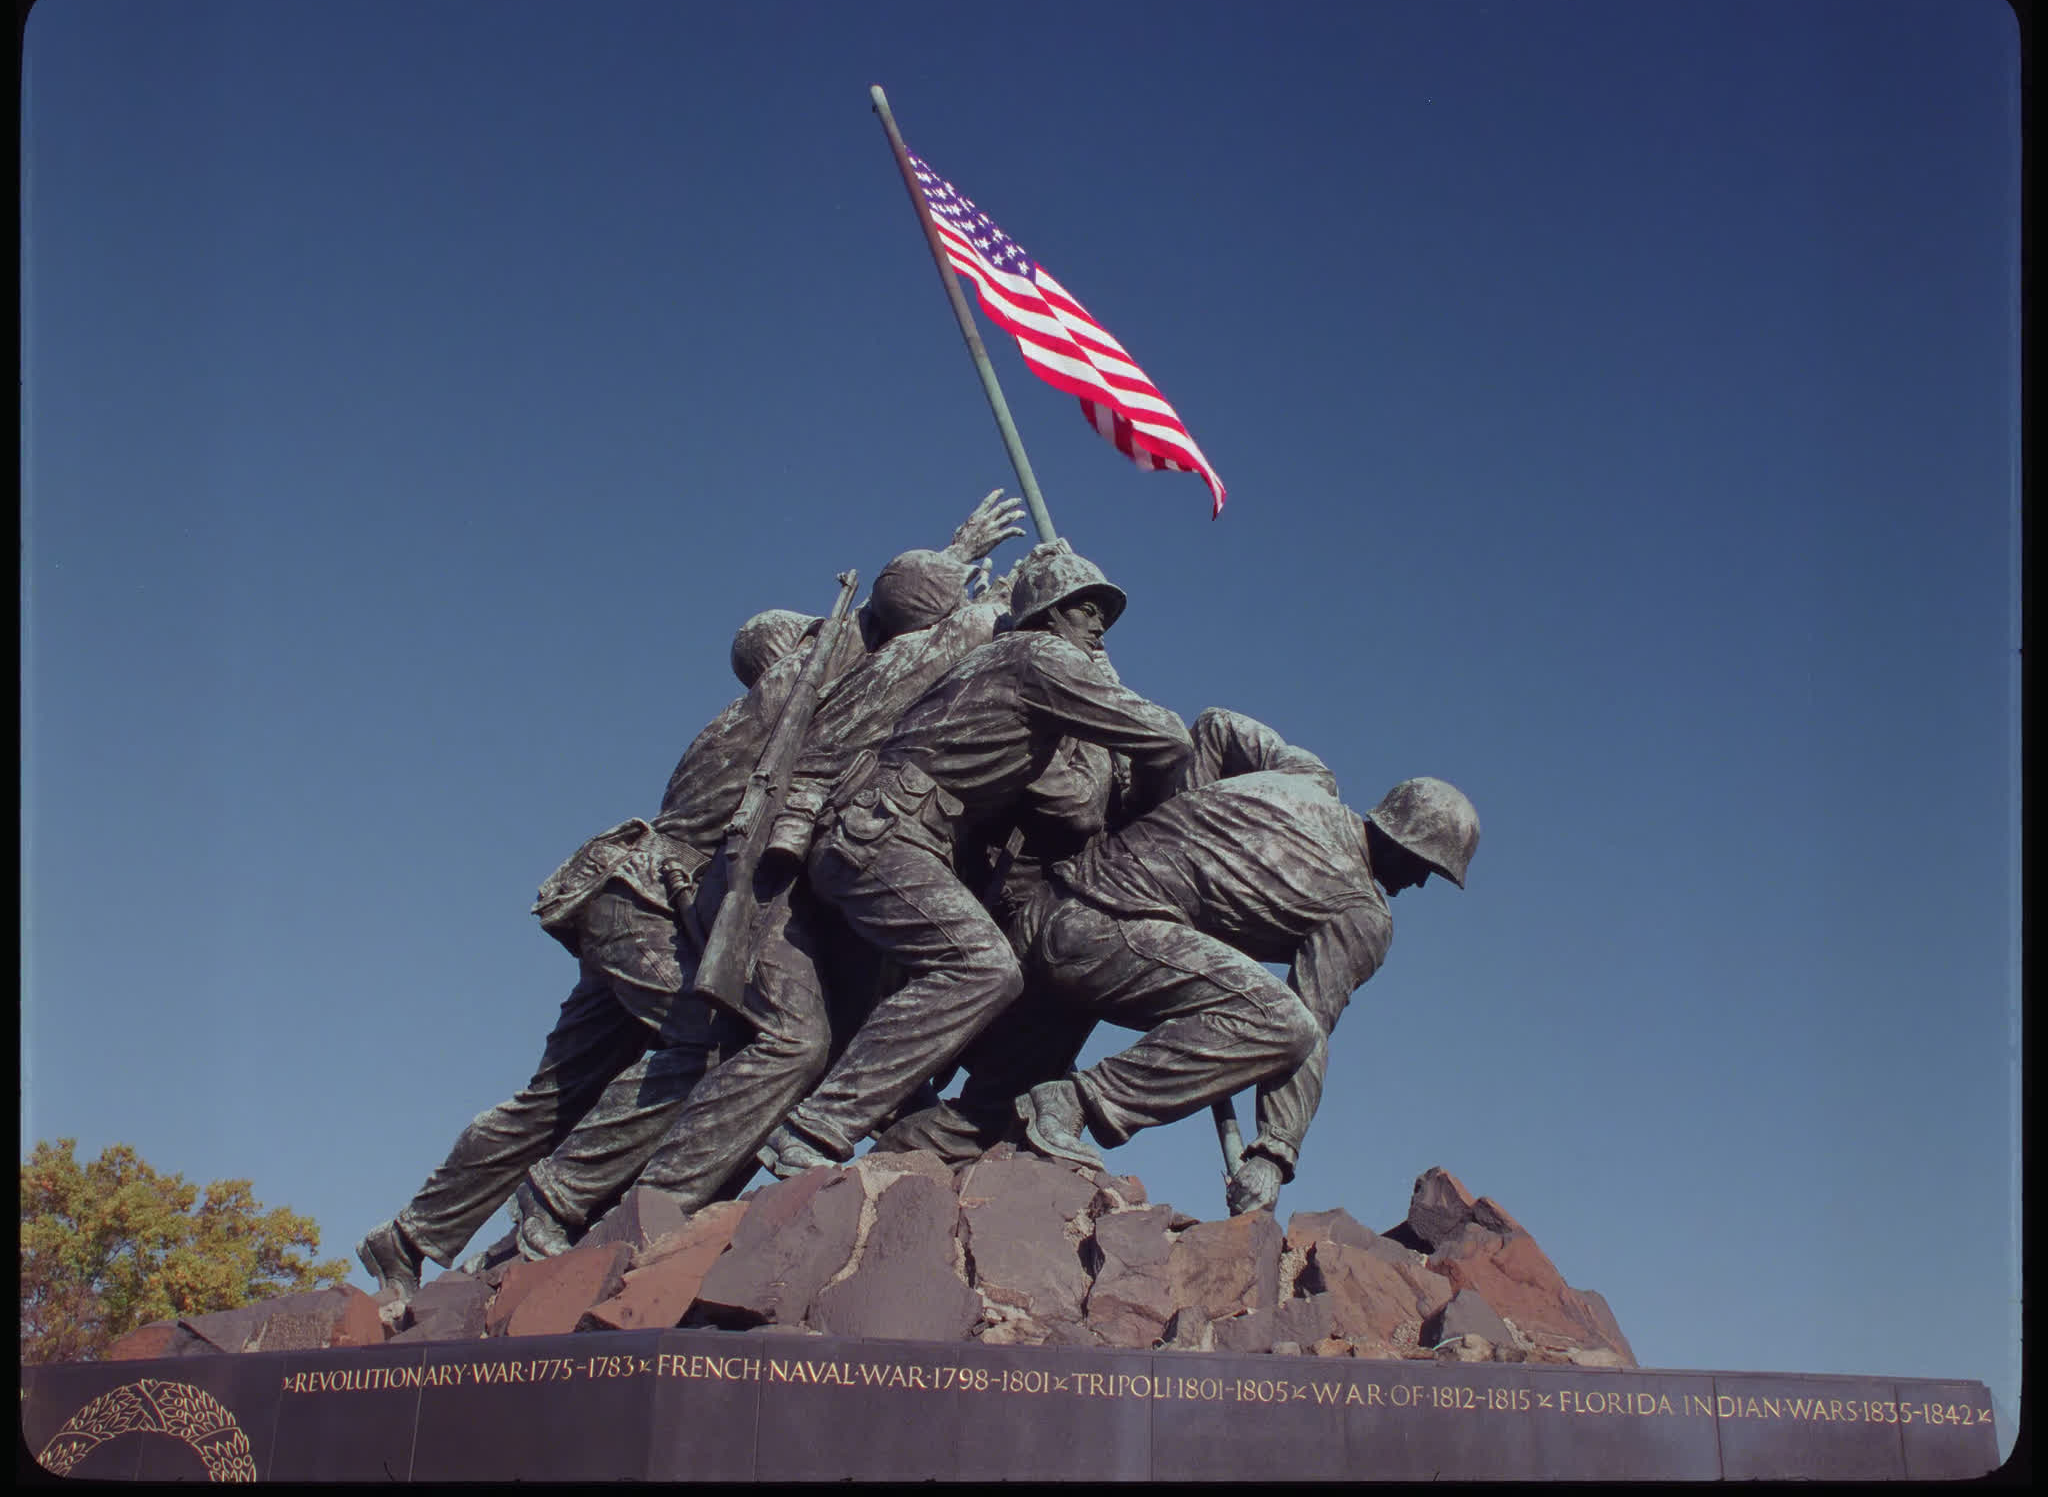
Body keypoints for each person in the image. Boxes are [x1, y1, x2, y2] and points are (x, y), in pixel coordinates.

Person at [354, 494, 1026, 1297]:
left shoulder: (754, 711)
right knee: (730, 1042)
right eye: (815, 635)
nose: (831, 637)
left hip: (631, 900)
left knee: (560, 1091)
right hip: (652, 901)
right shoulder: (788, 699)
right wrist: (975, 583)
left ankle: (412, 1235)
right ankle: (559, 1214)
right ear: (794, 651)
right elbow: (894, 640)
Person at [883, 710, 1480, 1217]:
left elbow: (1215, 727)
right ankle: (1076, 1103)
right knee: (1281, 1023)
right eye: (1426, 868)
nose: (1421, 885)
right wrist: (1275, 1151)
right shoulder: (1362, 912)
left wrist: (1166, 826)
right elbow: (1308, 1028)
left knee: (985, 1117)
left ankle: (882, 1172)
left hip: (1054, 916)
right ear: (1405, 844)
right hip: (1105, 938)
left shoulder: (1305, 778)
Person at [753, 540, 1195, 1177]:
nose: (1098, 624)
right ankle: (817, 1130)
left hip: (895, 832)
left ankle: (881, 1126)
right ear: (1048, 611)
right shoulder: (1041, 657)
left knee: (967, 988)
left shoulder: (1004, 659)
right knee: (982, 968)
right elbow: (1168, 736)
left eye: (1103, 612)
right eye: (1085, 608)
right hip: (889, 833)